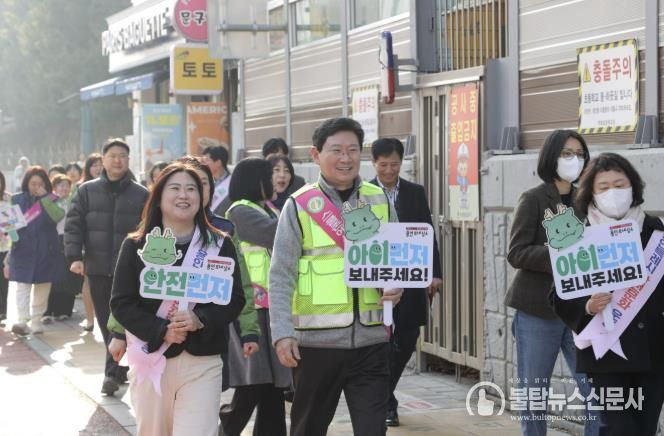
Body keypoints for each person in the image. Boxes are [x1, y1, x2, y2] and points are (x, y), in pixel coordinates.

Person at [269, 117, 402, 436]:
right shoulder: (300, 205)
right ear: (316, 155)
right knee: (308, 428)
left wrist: (397, 287)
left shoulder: (378, 199)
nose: (346, 158)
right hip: (316, 346)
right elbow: (281, 275)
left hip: (371, 342)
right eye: (337, 150)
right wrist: (282, 333)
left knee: (373, 430)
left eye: (353, 150)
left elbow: (397, 258)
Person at [110, 161, 246, 436]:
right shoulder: (136, 245)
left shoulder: (220, 244)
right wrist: (161, 330)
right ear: (159, 196)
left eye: (191, 189)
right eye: (175, 188)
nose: (184, 195)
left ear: (202, 197)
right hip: (151, 358)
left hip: (203, 361)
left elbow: (235, 299)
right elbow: (121, 303)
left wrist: (200, 319)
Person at [552, 153, 664, 436]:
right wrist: (587, 306)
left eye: (619, 184)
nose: (613, 192)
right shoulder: (578, 237)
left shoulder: (655, 231)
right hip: (605, 352)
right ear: (591, 193)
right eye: (604, 187)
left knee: (644, 427)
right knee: (616, 427)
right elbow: (559, 295)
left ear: (633, 187)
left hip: (652, 350)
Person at [504, 130, 598, 435]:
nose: (574, 160)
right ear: (551, 157)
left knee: (596, 393)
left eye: (580, 154)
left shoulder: (589, 200)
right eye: (566, 153)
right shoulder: (533, 198)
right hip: (538, 310)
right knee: (534, 394)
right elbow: (516, 252)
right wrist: (559, 254)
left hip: (582, 310)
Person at [65, 139, 149, 395]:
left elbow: (149, 230)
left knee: (123, 319)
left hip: (131, 270)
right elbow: (73, 225)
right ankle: (118, 368)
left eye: (123, 155)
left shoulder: (141, 194)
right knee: (105, 321)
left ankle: (111, 373)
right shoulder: (86, 191)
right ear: (102, 159)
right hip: (98, 268)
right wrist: (75, 256)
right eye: (113, 155)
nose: (118, 160)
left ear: (128, 159)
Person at [369, 137, 442, 427]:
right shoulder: (363, 193)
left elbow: (427, 231)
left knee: (408, 336)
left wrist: (434, 272)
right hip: (377, 278)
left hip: (411, 275)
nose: (389, 170)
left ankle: (385, 394)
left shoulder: (414, 192)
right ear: (374, 164)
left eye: (394, 164)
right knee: (382, 341)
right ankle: (386, 403)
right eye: (383, 165)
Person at [220, 158, 291, 436]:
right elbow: (278, 235)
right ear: (255, 181)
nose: (276, 180)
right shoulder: (240, 212)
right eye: (270, 175)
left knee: (272, 385)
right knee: (255, 381)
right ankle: (225, 428)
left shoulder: (266, 208)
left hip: (268, 306)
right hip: (250, 309)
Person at [7, 166, 65, 336]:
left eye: (40, 184)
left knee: (43, 286)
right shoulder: (16, 199)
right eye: (33, 184)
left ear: (46, 185)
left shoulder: (53, 199)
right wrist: (13, 239)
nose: (36, 187)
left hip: (46, 249)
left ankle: (36, 320)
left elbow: (57, 216)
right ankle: (22, 320)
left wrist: (45, 198)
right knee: (22, 286)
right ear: (26, 183)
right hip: (22, 249)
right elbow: (9, 226)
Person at [43, 174, 82, 322]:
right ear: (54, 187)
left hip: (69, 240)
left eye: (67, 185)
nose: (64, 188)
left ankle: (64, 310)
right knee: (52, 276)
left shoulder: (74, 201)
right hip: (53, 241)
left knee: (68, 276)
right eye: (61, 185)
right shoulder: (49, 201)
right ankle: (47, 311)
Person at [78, 152, 103, 332]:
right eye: (94, 165)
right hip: (89, 243)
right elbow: (75, 219)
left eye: (100, 164)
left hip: (112, 242)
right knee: (88, 281)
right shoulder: (82, 188)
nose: (98, 168)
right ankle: (89, 319)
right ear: (88, 168)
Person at [201, 145, 232, 217]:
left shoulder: (232, 183)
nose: (203, 165)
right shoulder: (202, 181)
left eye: (206, 160)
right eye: (202, 161)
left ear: (218, 162)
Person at [0, 171, 11, 321]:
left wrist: (6, 230)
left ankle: (3, 311)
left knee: (4, 279)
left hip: (5, 246)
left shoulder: (8, 199)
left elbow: (14, 222)